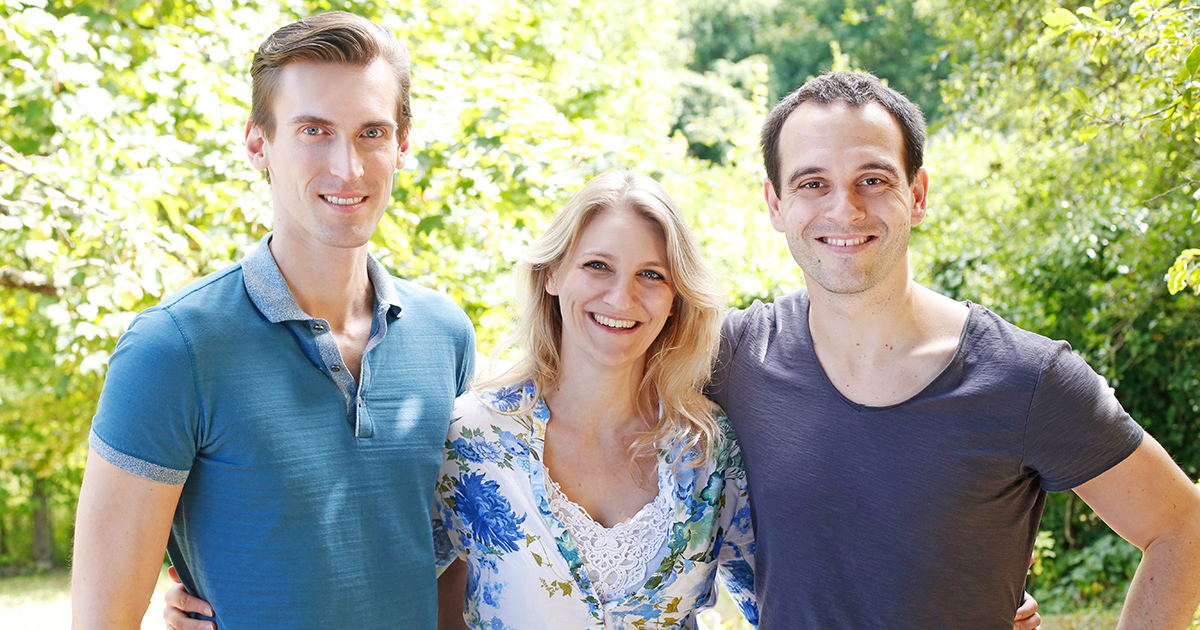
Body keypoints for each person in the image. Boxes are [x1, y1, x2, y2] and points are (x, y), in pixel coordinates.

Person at [160, 169, 1042, 630]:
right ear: (551, 279)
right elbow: (386, 581)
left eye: (651, 275)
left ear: (676, 299)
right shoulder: (472, 438)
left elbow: (790, 597)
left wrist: (950, 607)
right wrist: (212, 599)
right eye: (598, 268)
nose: (621, 298)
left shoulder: (709, 449)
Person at [708, 70, 1200, 628]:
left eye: (872, 179)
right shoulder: (733, 357)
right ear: (775, 203)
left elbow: (1181, 527)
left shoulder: (1027, 378)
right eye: (811, 183)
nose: (844, 209)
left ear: (916, 196)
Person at [70, 12, 475, 630]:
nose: (348, 167)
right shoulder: (173, 350)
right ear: (259, 142)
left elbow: (457, 567)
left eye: (372, 132)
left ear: (402, 145)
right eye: (314, 130)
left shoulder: (446, 337)